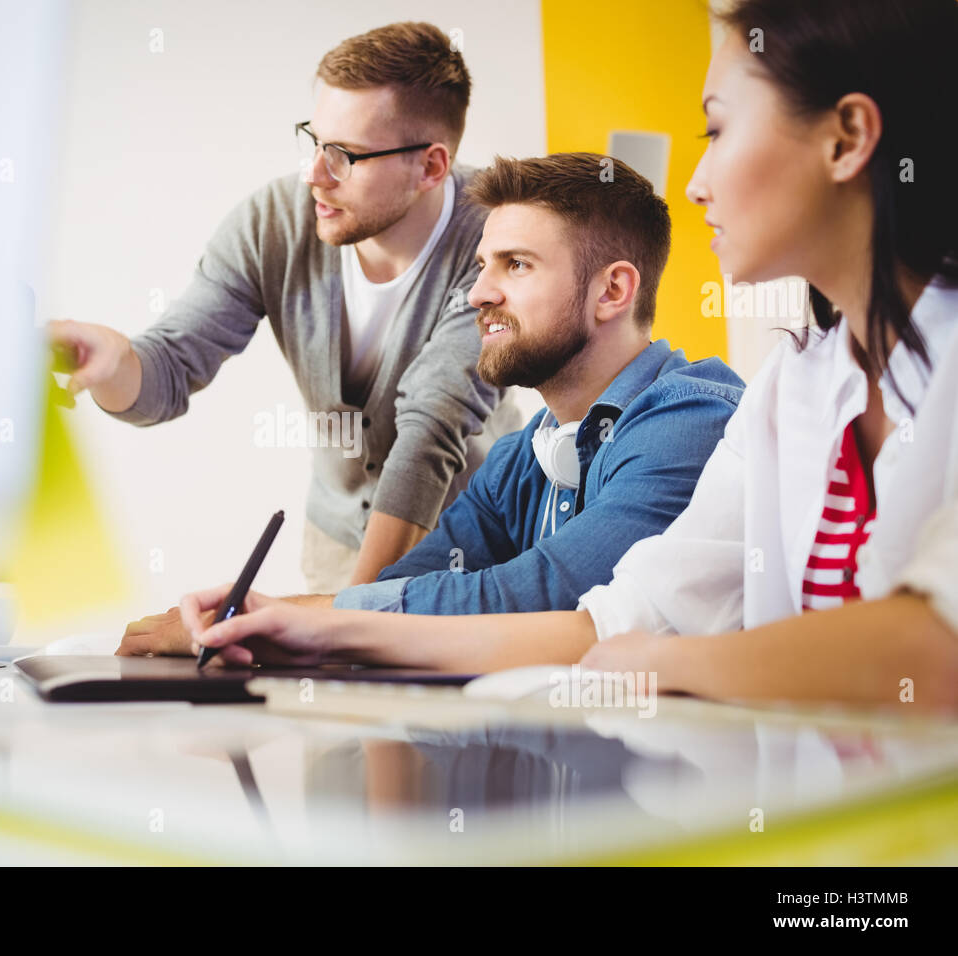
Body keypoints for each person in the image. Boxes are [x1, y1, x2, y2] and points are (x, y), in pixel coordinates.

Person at [177, 0, 958, 713]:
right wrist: (306, 630)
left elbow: (935, 652)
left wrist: (673, 662)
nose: (694, 184)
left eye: (716, 131)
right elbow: (616, 623)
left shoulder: (696, 414)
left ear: (847, 137)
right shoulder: (789, 390)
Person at [117, 153, 744, 656]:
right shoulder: (523, 456)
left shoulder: (690, 423)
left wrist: (290, 618)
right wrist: (267, 631)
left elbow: (547, 594)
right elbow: (402, 588)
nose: (478, 294)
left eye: (516, 265)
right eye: (480, 266)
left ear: (613, 290)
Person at [49, 22, 521, 594]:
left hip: (475, 551)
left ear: (429, 166)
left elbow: (432, 428)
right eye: (314, 140)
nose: (315, 175)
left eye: (345, 155)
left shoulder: (499, 242)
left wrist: (349, 618)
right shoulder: (271, 223)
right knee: (328, 685)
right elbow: (170, 367)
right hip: (338, 542)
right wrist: (118, 361)